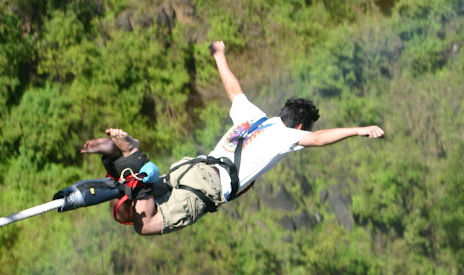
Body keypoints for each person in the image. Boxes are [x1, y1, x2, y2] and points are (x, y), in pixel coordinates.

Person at [77, 40, 384, 235]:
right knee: (147, 225)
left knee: (134, 204)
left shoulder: (254, 117)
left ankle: (120, 160)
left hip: (192, 167)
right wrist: (358, 130)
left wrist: (219, 55)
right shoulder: (285, 137)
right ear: (299, 128)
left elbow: (233, 89)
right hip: (207, 186)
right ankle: (133, 155)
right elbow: (318, 139)